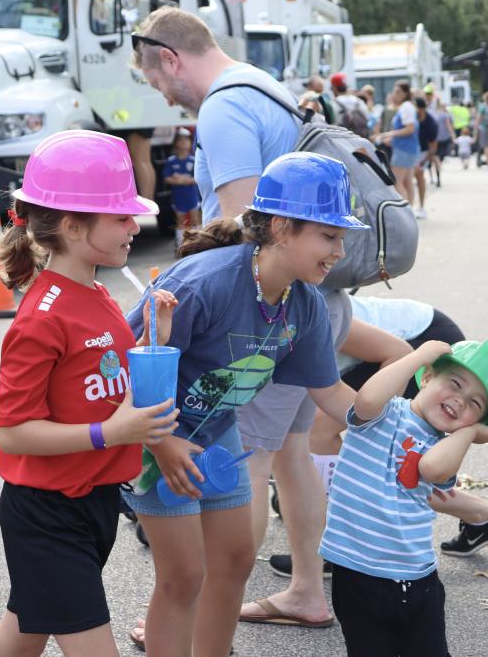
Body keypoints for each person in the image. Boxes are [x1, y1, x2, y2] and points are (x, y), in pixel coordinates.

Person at [123, 152, 365, 656]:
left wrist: (402, 422)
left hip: (217, 438)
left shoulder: (305, 303)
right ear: (281, 227)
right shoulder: (199, 284)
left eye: (341, 238)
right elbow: (123, 371)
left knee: (233, 563)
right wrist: (164, 445)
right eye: (329, 236)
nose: (339, 251)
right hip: (152, 440)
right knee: (183, 576)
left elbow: (335, 397)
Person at [0, 131, 180, 657]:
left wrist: (153, 336)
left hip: (94, 500)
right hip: (47, 514)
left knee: (20, 638)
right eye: (120, 217)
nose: (135, 227)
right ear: (72, 226)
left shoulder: (97, 293)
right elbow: (15, 433)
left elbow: (106, 377)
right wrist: (110, 433)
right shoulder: (40, 318)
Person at [320, 339, 488, 657]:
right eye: (455, 384)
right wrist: (418, 356)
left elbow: (432, 469)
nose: (460, 402)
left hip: (419, 580)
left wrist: (469, 433)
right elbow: (366, 399)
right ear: (429, 376)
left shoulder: (443, 446)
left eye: (475, 405)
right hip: (359, 577)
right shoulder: (383, 413)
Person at [306, 296, 488, 558]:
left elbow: (398, 352)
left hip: (425, 346)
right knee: (392, 465)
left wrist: (421, 360)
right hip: (416, 359)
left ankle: (330, 546)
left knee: (328, 435)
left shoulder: (308, 308)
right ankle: (484, 515)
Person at [131, 7, 300, 224]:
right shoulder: (260, 82)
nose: (169, 101)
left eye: (159, 85)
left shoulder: (224, 107)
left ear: (170, 60)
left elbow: (243, 229)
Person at [375, 80, 418, 203]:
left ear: (405, 93)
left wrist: (388, 134)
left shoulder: (406, 107)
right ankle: (410, 212)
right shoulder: (407, 106)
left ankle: (405, 213)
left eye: (398, 92)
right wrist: (393, 139)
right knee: (407, 181)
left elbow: (410, 129)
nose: (395, 95)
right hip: (407, 148)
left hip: (403, 149)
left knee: (397, 182)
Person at [163, 127, 201, 248]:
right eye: (180, 140)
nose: (184, 143)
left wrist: (184, 180)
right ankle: (181, 244)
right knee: (180, 221)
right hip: (178, 197)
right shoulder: (171, 161)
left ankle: (197, 243)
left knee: (195, 219)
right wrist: (179, 181)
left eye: (187, 140)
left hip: (191, 196)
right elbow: (166, 177)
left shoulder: (193, 160)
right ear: (175, 143)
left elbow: (198, 178)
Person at [412, 97, 438, 220]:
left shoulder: (431, 123)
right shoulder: (411, 118)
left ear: (420, 109)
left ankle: (421, 206)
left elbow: (433, 146)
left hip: (423, 152)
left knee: (420, 176)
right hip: (410, 150)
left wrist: (423, 161)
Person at [331, 72, 370, 138]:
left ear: (334, 88)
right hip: (360, 142)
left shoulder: (333, 104)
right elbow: (367, 119)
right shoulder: (359, 102)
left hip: (342, 142)